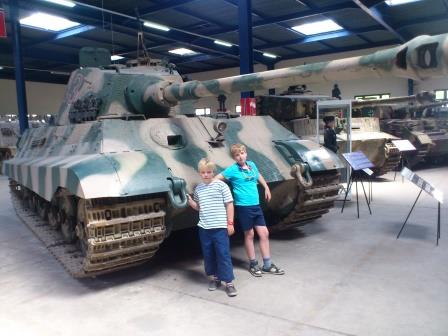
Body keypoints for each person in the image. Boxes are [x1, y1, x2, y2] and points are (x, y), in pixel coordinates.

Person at [217, 144, 285, 277]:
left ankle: (267, 265)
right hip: (244, 207)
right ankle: (253, 264)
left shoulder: (252, 165)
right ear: (234, 157)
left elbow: (258, 175)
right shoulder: (232, 170)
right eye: (237, 155)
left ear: (246, 154)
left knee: (264, 233)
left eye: (242, 153)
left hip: (256, 205)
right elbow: (217, 178)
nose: (240, 156)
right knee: (250, 235)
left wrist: (266, 187)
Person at [187, 158, 237, 297]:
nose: (206, 175)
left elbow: (229, 204)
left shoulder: (221, 186)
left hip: (220, 227)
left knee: (223, 254)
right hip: (205, 228)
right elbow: (199, 207)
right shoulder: (199, 188)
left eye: (208, 172)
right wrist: (192, 203)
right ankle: (215, 279)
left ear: (213, 172)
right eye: (203, 172)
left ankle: (229, 283)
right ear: (199, 173)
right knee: (209, 255)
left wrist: (230, 223)